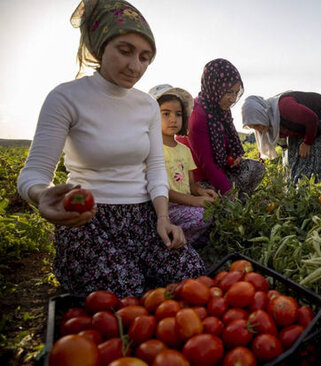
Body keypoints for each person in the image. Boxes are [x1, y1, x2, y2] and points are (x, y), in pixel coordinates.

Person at [16, 0, 205, 297]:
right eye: (125, 51)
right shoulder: (66, 98)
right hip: (88, 221)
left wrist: (163, 219)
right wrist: (41, 195)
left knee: (190, 275)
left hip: (143, 218)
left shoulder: (146, 106)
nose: (135, 66)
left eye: (145, 57)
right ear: (101, 46)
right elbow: (33, 174)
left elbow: (155, 168)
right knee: (123, 294)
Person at [149, 84, 218, 247]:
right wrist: (194, 201)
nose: (173, 119)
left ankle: (186, 241)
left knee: (213, 211)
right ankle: (173, 243)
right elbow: (160, 189)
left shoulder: (184, 150)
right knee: (202, 216)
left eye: (178, 114)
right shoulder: (152, 148)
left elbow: (191, 184)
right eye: (166, 113)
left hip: (184, 204)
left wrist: (201, 192)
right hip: (164, 209)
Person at [187, 58, 265, 197]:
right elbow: (208, 165)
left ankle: (236, 199)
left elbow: (228, 143)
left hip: (222, 169)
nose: (233, 99)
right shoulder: (197, 114)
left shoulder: (221, 109)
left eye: (236, 92)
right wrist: (231, 197)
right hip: (201, 179)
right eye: (229, 92)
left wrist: (234, 157)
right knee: (224, 200)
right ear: (214, 86)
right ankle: (232, 201)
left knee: (257, 168)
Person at [241, 91, 321, 183]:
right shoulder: (269, 117)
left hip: (319, 124)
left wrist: (307, 142)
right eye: (253, 128)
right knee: (290, 169)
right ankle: (293, 193)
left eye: (257, 124)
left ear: (261, 114)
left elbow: (312, 119)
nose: (258, 129)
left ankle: (306, 193)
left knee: (307, 171)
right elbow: (269, 140)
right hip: (300, 130)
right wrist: (262, 156)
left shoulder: (284, 107)